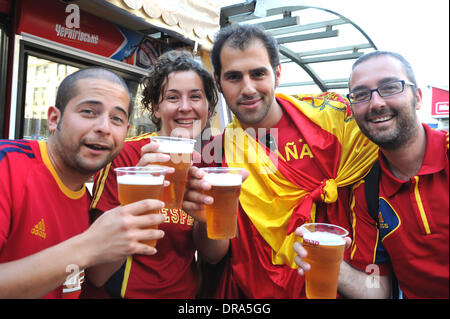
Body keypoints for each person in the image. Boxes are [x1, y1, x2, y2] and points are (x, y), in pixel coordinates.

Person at [182, 24, 378, 298]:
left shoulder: (332, 122)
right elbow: (213, 256)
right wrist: (204, 220)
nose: (248, 88)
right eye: (234, 77)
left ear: (277, 73)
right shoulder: (213, 155)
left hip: (330, 286)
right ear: (218, 82)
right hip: (249, 294)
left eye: (258, 74)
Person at [0, 67, 167, 298]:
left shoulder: (87, 201)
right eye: (89, 112)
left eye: (116, 119)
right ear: (54, 119)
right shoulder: (7, 165)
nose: (104, 128)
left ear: (126, 132)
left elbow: (95, 278)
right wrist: (89, 245)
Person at [294, 51, 449, 299]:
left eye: (389, 87)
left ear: (418, 97)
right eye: (361, 95)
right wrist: (331, 263)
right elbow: (379, 289)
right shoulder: (368, 191)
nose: (376, 103)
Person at [85, 50, 219, 298]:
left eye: (196, 96)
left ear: (208, 108)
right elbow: (97, 273)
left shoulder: (208, 163)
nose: (185, 107)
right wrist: (140, 196)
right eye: (172, 97)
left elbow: (212, 255)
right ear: (156, 108)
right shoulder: (127, 156)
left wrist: (204, 218)